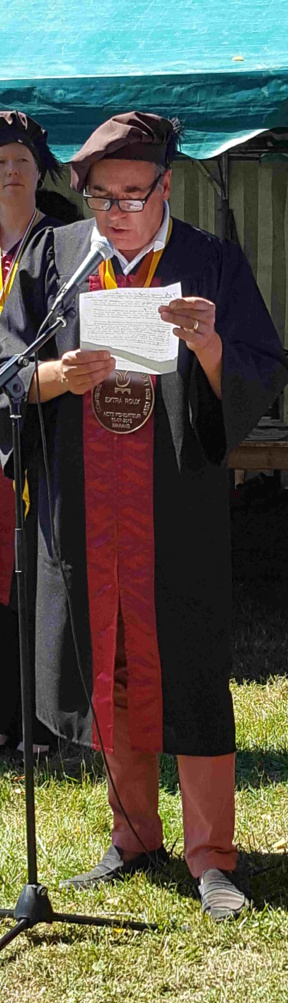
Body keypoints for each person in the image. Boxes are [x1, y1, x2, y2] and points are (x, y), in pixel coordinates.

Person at [0, 112, 288, 919]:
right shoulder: (55, 257)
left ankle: (212, 854)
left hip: (175, 505)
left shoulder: (207, 259)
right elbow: (7, 366)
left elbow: (262, 366)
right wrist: (59, 375)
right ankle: (133, 835)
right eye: (102, 197)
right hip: (85, 506)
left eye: (134, 195)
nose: (119, 212)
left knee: (190, 666)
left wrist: (207, 349)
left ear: (167, 186)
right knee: (110, 657)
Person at [0, 111, 63, 756]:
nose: (10, 171)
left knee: (29, 575)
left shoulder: (62, 244)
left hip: (36, 432)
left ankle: (37, 722)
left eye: (20, 160)